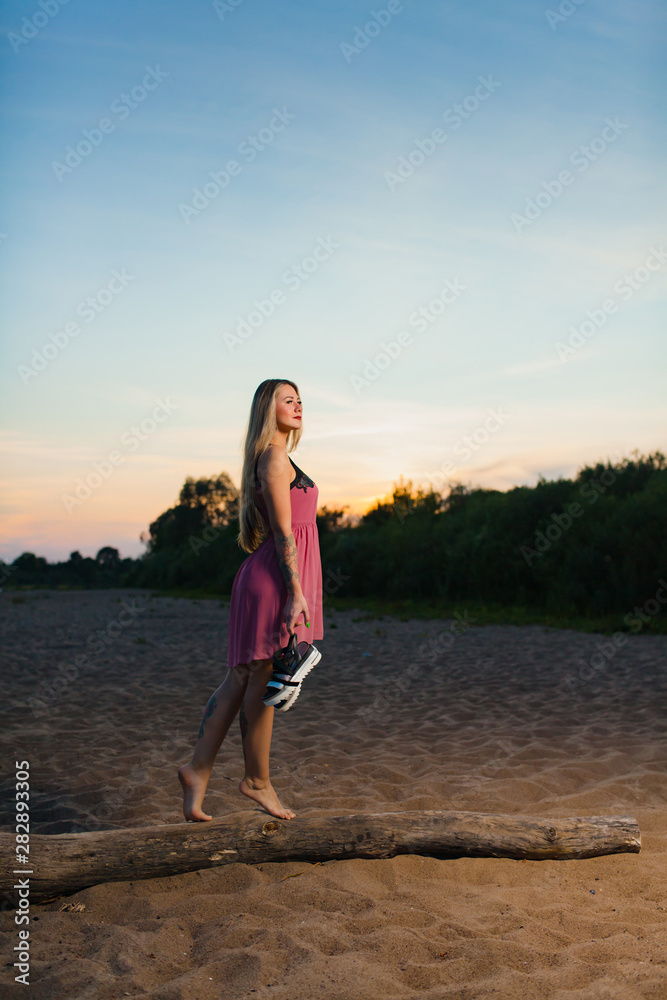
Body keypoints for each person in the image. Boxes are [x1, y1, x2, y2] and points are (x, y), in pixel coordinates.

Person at [178, 379, 324, 821]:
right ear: (268, 408)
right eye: (288, 400)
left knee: (244, 676)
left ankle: (197, 770)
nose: (298, 405)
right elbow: (283, 532)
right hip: (275, 580)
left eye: (300, 400)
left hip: (269, 577)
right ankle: (257, 781)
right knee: (262, 679)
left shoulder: (275, 456)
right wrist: (296, 591)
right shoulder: (275, 457)